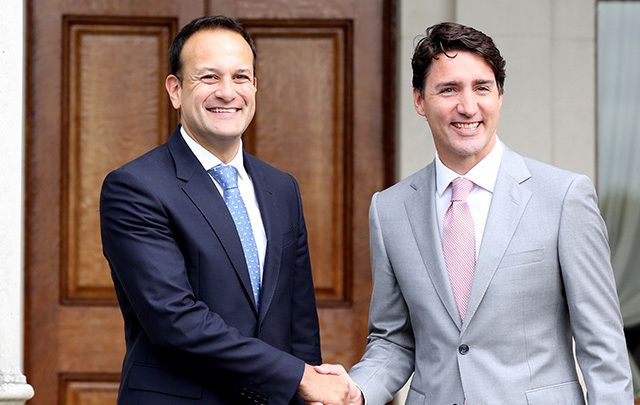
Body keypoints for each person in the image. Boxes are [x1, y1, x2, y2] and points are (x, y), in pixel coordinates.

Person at [317, 22, 633, 404]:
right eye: (448, 89)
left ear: (499, 96)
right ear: (419, 100)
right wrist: (357, 389)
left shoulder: (564, 197)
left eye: (481, 87)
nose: (467, 106)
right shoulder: (389, 209)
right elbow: (394, 340)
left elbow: (603, 347)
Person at [100, 15, 350, 405]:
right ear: (176, 90)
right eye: (209, 78)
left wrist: (307, 388)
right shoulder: (135, 187)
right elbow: (175, 320)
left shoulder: (281, 188)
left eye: (240, 77)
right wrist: (298, 376)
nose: (227, 92)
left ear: (255, 87)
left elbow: (299, 320)